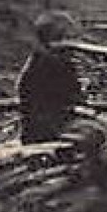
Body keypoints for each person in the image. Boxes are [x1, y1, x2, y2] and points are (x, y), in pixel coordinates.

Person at [16, 11, 86, 144]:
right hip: (51, 130)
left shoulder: (36, 59)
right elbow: (74, 96)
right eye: (69, 36)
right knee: (99, 133)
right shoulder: (54, 62)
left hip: (35, 129)